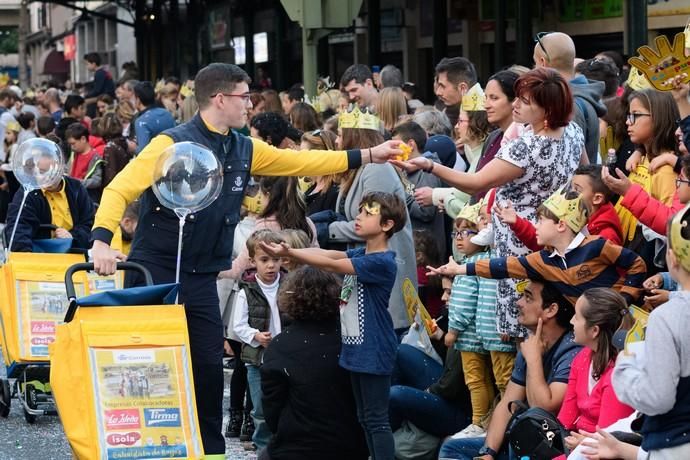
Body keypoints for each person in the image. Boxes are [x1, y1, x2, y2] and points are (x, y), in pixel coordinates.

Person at [89, 63, 401, 457]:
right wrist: (101, 240)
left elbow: (304, 163)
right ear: (220, 99)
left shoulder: (243, 147)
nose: (250, 104)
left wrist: (369, 153)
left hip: (201, 276)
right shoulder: (169, 143)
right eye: (243, 96)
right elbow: (118, 190)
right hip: (155, 270)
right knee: (145, 366)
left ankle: (211, 452)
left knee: (206, 369)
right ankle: (137, 447)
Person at [395, 67, 586, 338]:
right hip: (560, 242)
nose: (515, 104)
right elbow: (583, 178)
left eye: (524, 101)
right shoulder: (573, 133)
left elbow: (477, 182)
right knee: (554, 328)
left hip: (519, 249)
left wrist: (430, 166)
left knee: (525, 334)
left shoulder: (526, 147)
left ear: (546, 109)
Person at [261, 191, 408, 460]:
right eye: (360, 211)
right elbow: (328, 252)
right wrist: (289, 250)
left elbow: (330, 262)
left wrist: (292, 252)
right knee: (364, 418)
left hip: (373, 349)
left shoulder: (381, 262)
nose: (358, 217)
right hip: (357, 349)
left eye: (367, 213)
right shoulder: (364, 254)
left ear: (387, 225)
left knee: (375, 420)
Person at [428, 187, 647, 308]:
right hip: (588, 327)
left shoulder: (597, 246)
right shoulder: (543, 259)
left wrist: (625, 297)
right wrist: (459, 270)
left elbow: (636, 264)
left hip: (620, 320)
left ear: (562, 225)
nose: (537, 226)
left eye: (541, 221)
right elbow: (504, 266)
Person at [438, 279, 581, 460]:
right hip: (526, 436)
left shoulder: (571, 349)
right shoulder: (532, 344)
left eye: (528, 298)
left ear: (551, 310)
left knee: (525, 429)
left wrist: (534, 360)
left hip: (553, 443)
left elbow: (543, 409)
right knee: (452, 448)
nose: (518, 302)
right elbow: (508, 403)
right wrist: (488, 452)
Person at [260, 266, 369, 460]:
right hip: (350, 445)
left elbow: (271, 410)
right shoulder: (352, 340)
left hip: (296, 447)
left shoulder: (280, 346)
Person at [612, 203, 690, 459]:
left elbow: (658, 398)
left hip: (677, 443)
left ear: (673, 257)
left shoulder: (667, 317)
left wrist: (624, 370)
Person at [329, 108, 417, 331]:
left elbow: (374, 221)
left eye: (340, 134)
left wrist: (329, 229)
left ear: (353, 137)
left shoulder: (376, 169)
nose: (337, 140)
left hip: (384, 273)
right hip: (365, 265)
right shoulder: (359, 169)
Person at [559, 288, 635, 451]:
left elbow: (610, 441)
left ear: (594, 330)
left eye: (577, 316)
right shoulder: (583, 357)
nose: (571, 321)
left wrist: (581, 444)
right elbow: (565, 420)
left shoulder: (619, 376)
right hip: (576, 447)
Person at [232, 229, 286, 452]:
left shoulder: (288, 285)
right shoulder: (247, 290)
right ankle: (264, 447)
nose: (271, 265)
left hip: (285, 356)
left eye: (276, 259)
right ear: (253, 261)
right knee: (261, 407)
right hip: (257, 359)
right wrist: (255, 336)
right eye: (265, 260)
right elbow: (238, 326)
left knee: (284, 403)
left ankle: (282, 445)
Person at [444, 202, 495, 439]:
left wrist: (452, 331)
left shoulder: (471, 266)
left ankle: (478, 422)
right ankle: (485, 420)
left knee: (475, 380)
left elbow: (464, 302)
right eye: (456, 233)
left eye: (467, 232)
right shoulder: (477, 262)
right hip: (480, 334)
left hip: (469, 335)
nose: (459, 239)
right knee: (485, 379)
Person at [495, 164, 623, 249]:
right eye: (570, 187)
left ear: (597, 198)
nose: (569, 193)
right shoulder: (570, 214)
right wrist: (516, 222)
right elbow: (542, 240)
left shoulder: (607, 236)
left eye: (577, 189)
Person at [533, 31, 606, 163]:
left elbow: (567, 163)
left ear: (543, 63)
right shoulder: (576, 97)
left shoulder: (567, 104)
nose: (533, 70)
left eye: (535, 63)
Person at [4, 172, 95, 252]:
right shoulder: (28, 191)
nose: (47, 177)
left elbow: (89, 223)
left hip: (73, 252)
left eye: (52, 171)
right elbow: (18, 227)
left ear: (61, 169)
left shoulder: (76, 188)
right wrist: (26, 256)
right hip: (38, 254)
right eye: (42, 172)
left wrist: (73, 236)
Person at [133, 81, 176, 154]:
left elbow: (143, 152)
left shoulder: (141, 122)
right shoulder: (167, 113)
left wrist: (133, 148)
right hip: (171, 158)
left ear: (138, 100)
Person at [65, 123, 103, 202]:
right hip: (73, 196)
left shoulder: (95, 158)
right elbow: (68, 170)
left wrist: (78, 182)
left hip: (88, 198)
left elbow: (97, 181)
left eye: (73, 143)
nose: (72, 147)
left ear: (83, 139)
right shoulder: (74, 154)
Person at [434, 57, 477, 127]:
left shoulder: (488, 121)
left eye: (442, 86)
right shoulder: (442, 115)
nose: (438, 92)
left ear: (463, 88)